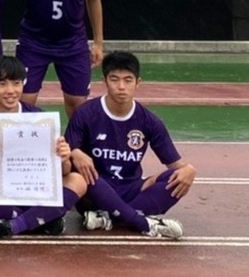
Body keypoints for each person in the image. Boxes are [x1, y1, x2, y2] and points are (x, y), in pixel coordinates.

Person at [68, 51, 194, 239]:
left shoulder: (149, 121)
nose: (121, 87)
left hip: (131, 189)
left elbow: (175, 165)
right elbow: (65, 156)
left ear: (138, 83)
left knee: (175, 178)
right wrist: (75, 152)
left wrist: (189, 170)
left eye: (128, 80)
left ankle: (108, 218)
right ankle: (143, 223)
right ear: (104, 81)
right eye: (114, 79)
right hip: (94, 190)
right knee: (80, 173)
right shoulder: (86, 113)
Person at [0, 56, 87, 238]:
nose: (10, 91)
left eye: (16, 83)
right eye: (2, 84)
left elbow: (64, 172)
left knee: (77, 180)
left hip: (36, 192)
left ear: (23, 83)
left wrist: (64, 159)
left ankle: (13, 225)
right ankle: (42, 219)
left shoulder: (40, 118)